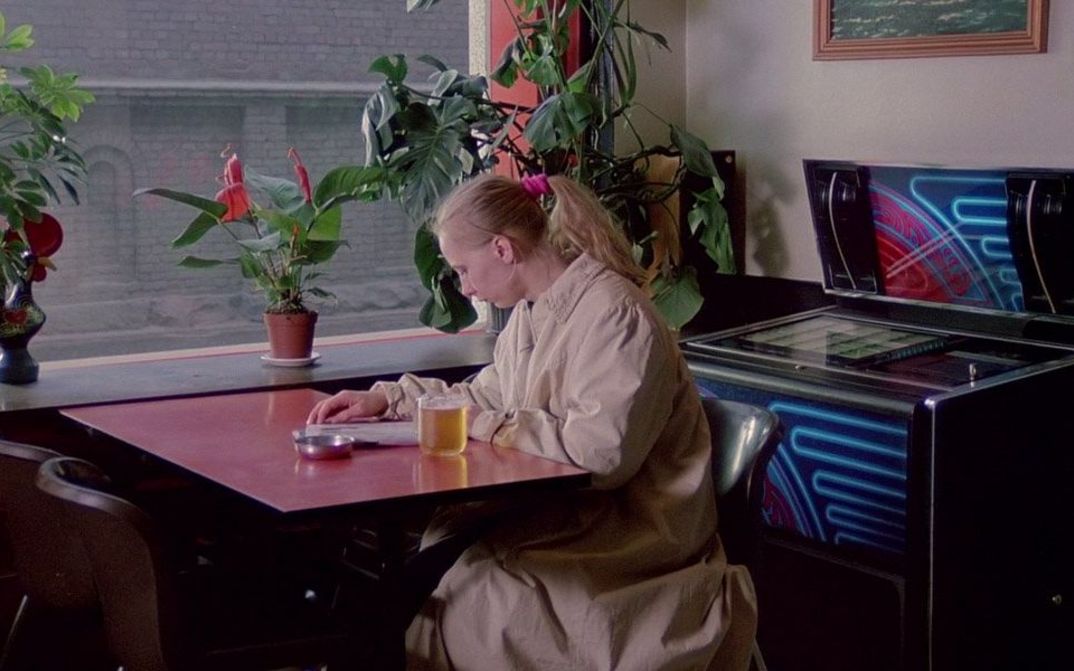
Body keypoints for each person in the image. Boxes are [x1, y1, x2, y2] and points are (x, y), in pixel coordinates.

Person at [307, 173, 757, 670]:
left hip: (628, 537)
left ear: (503, 249)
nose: (465, 286)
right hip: (560, 516)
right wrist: (390, 399)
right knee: (433, 569)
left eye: (463, 269)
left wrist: (487, 423)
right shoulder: (531, 316)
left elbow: (602, 457)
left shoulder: (617, 315)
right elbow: (485, 394)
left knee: (472, 595)